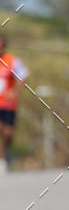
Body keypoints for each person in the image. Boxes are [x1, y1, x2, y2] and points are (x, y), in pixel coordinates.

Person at [0, 36, 28, 172]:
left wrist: (15, 91)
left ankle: (5, 152)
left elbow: (24, 76)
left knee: (8, 132)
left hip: (8, 103)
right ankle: (1, 160)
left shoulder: (12, 60)